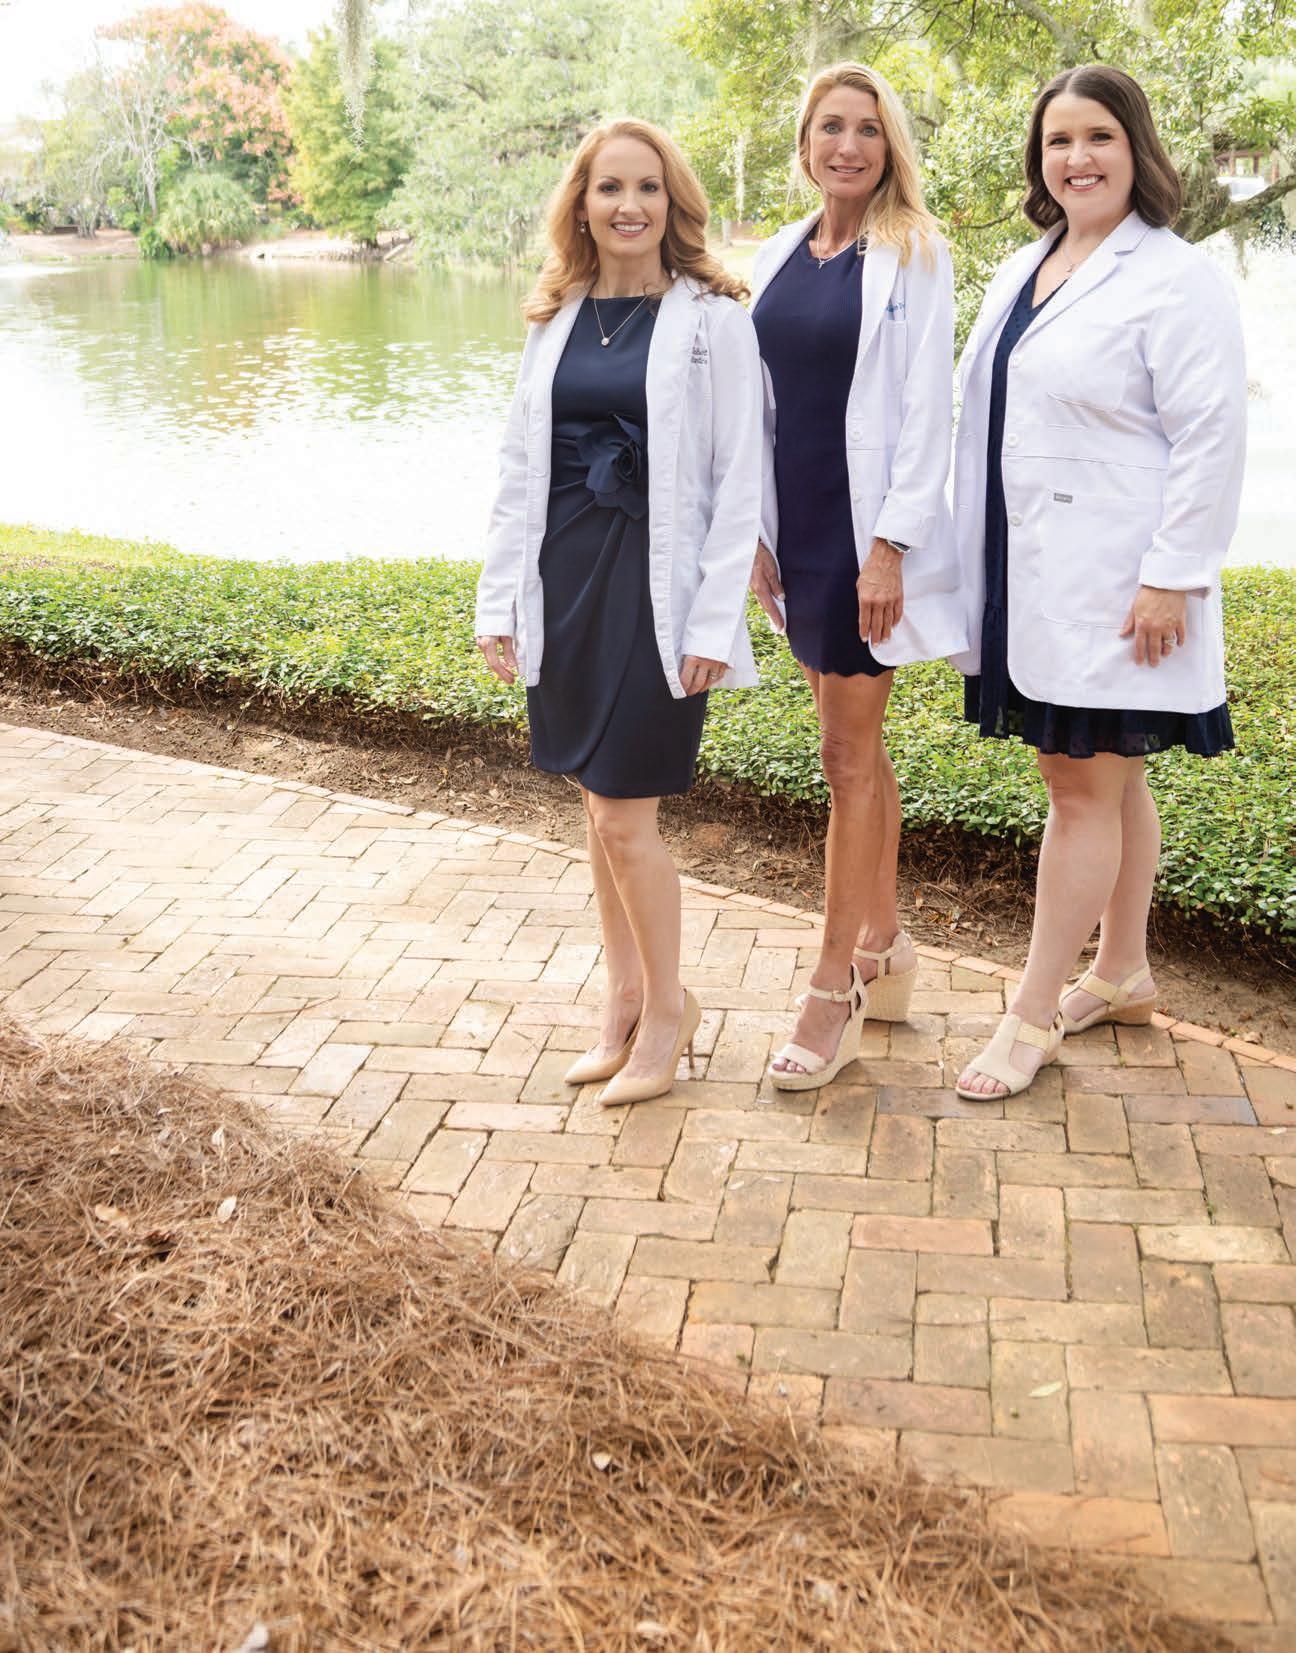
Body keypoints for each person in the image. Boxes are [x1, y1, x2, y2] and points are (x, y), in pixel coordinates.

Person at [951, 65, 1246, 1101]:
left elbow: (1211, 435)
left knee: (1081, 785)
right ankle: (1122, 971)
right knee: (1113, 781)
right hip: (1036, 571)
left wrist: (1172, 576)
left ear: (1136, 149)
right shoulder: (1023, 266)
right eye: (1058, 140)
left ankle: (1029, 1015)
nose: (1076, 158)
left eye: (1098, 137)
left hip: (1123, 582)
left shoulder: (1176, 275)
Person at [475, 119, 763, 1106]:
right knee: (596, 812)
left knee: (626, 818)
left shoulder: (715, 321)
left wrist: (713, 623)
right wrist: (500, 602)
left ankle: (669, 1014)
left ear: (673, 202)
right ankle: (625, 999)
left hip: (656, 592)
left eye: (647, 187)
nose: (628, 205)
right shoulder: (555, 316)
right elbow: (518, 467)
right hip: (564, 582)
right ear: (583, 204)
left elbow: (740, 482)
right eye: (610, 188)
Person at [749, 62, 967, 1092]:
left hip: (861, 535)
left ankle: (832, 987)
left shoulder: (914, 252)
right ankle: (885, 944)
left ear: (890, 149)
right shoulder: (777, 254)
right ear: (804, 144)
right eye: (831, 127)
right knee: (854, 750)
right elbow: (757, 407)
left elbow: (928, 408)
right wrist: (754, 535)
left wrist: (892, 547)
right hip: (794, 531)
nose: (848, 145)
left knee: (844, 758)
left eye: (868, 130)